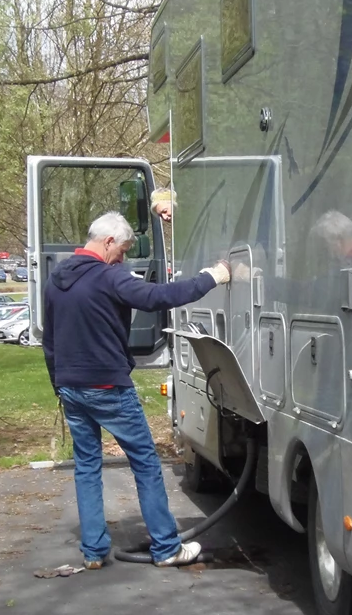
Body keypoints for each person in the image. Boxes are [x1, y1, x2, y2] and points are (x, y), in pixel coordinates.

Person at [42, 211, 230, 569]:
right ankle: (166, 548)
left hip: (71, 387)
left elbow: (49, 340)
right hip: (108, 385)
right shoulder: (109, 277)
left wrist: (59, 383)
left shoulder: (56, 280)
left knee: (86, 466)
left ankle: (94, 551)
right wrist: (212, 277)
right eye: (124, 249)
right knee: (145, 463)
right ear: (108, 241)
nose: (124, 257)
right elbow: (159, 297)